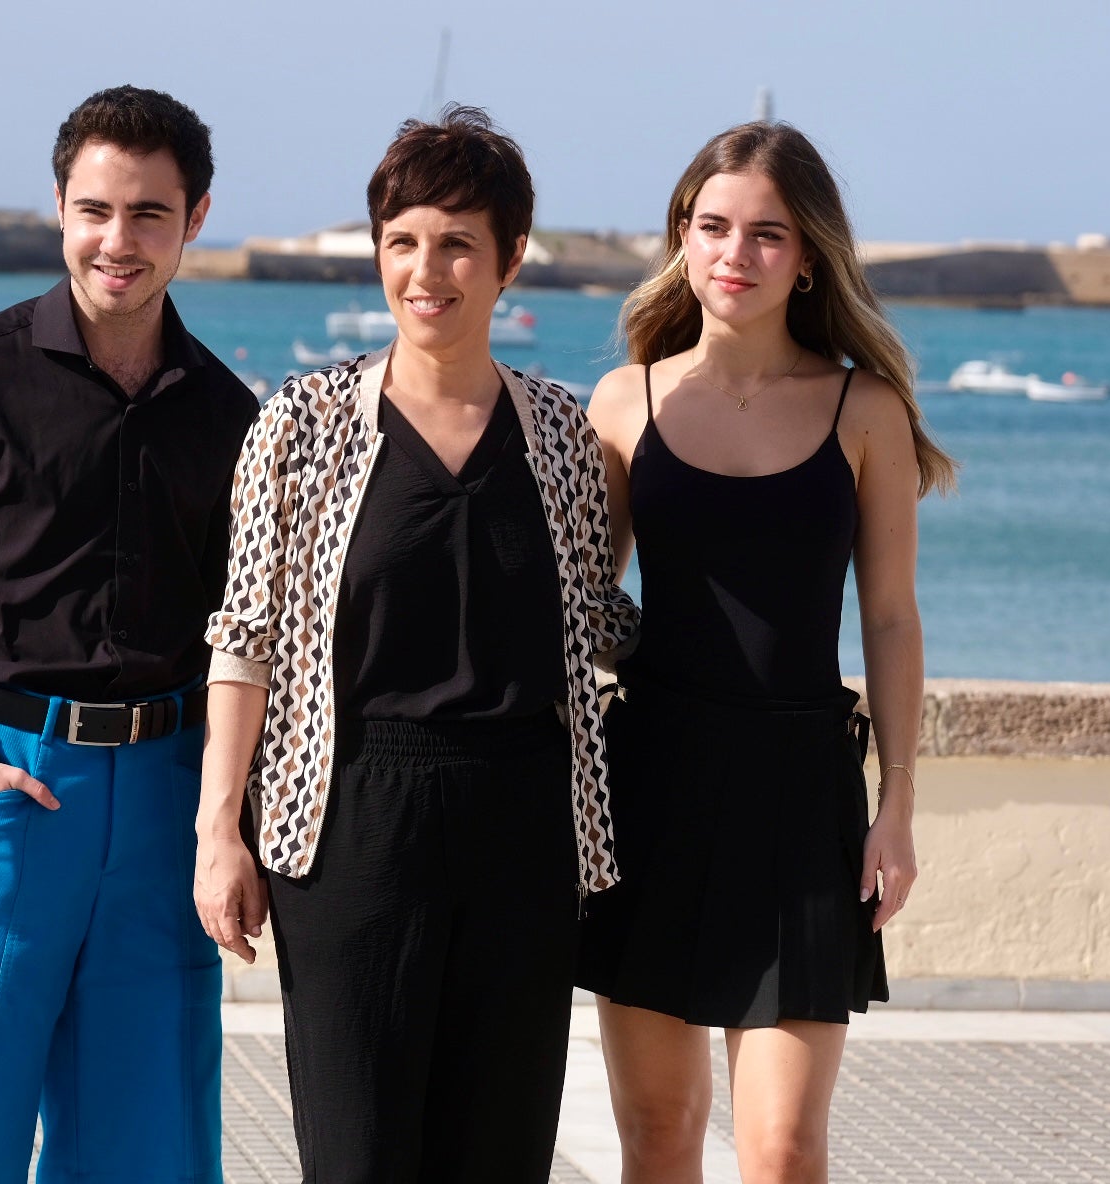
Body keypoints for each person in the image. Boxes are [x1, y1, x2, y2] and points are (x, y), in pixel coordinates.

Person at [194, 106, 639, 1183]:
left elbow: (598, 617)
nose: (425, 269)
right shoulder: (301, 423)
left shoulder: (564, 433)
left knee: (498, 1157)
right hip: (351, 824)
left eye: (456, 243)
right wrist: (220, 827)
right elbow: (244, 634)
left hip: (524, 827)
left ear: (510, 259)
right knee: (357, 1157)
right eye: (402, 239)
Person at [0, 85, 260, 1184]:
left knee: (149, 1132)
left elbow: (246, 630)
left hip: (165, 792)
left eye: (148, 214)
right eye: (95, 209)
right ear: (60, 210)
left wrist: (227, 813)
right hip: (7, 781)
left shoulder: (227, 413)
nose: (117, 242)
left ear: (195, 219)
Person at [576, 120, 957, 1184]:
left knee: (783, 1149)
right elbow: (579, 611)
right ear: (681, 240)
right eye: (713, 227)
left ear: (808, 257)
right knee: (657, 1133)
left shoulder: (863, 409)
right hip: (650, 782)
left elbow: (890, 617)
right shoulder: (627, 400)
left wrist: (898, 804)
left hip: (801, 795)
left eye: (767, 234)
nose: (734, 255)